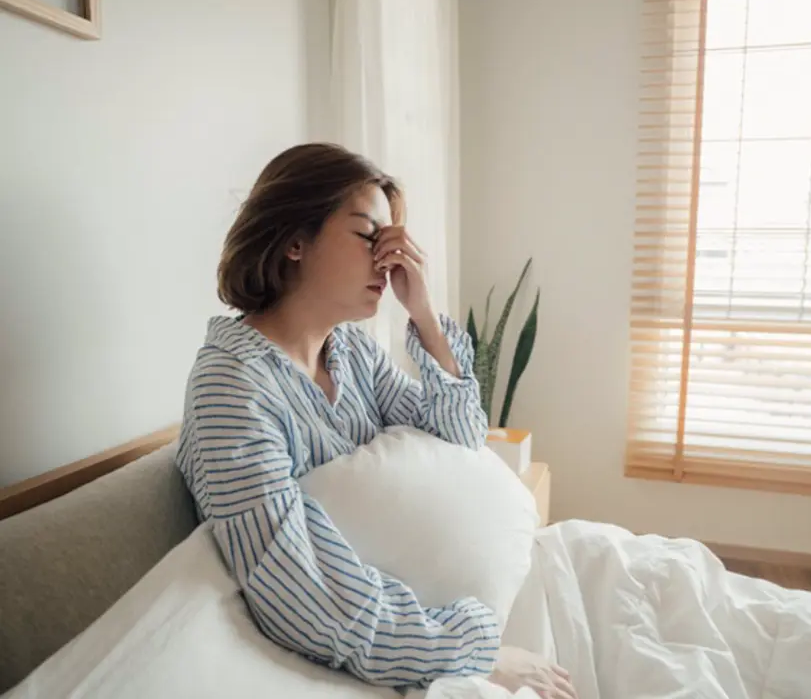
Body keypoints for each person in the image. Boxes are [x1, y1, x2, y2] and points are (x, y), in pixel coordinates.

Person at [174, 143, 576, 698]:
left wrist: (425, 315)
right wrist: (478, 652)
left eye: (394, 241)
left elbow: (459, 441)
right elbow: (301, 593)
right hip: (423, 634)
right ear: (294, 240)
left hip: (463, 600)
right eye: (369, 236)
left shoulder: (351, 354)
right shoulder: (233, 390)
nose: (390, 260)